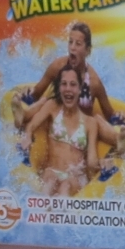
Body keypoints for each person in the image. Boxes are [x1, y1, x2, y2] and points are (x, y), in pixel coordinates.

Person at [20, 65, 107, 197]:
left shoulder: (90, 123)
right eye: (64, 84)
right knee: (50, 180)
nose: (68, 89)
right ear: (59, 87)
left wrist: (102, 164)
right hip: (51, 170)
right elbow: (31, 126)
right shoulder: (52, 106)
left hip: (74, 177)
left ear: (80, 89)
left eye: (73, 84)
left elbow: (91, 160)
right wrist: (27, 136)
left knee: (65, 186)